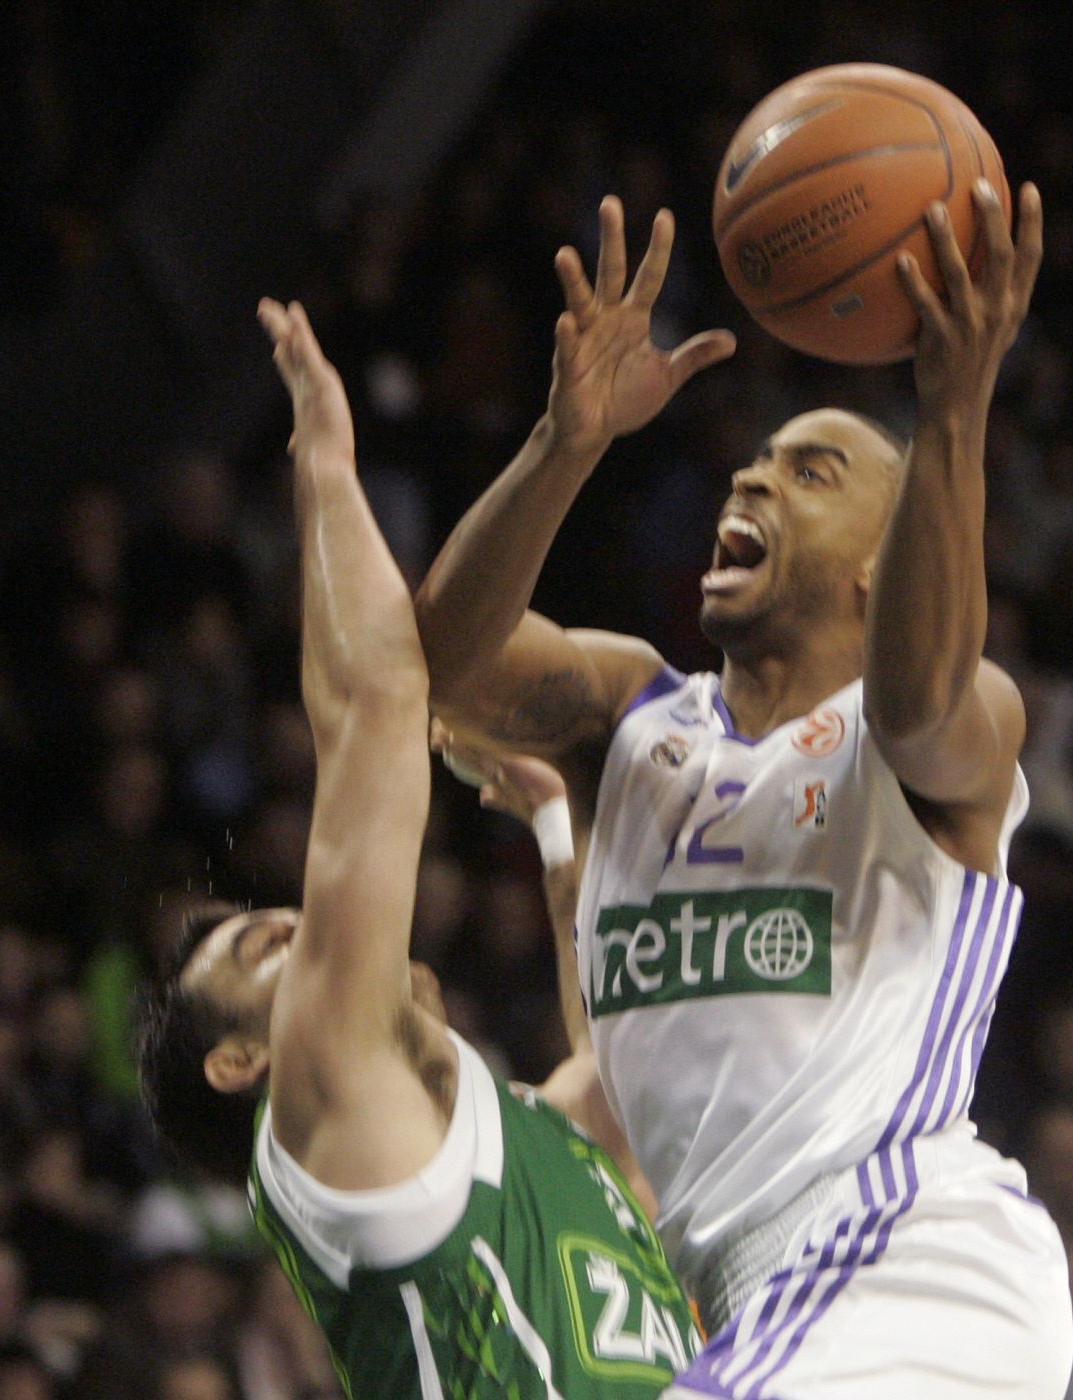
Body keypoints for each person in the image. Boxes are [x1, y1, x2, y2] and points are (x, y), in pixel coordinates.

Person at [413, 179, 1073, 1397]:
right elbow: (439, 661)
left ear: (888, 560)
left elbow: (923, 694)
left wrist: (953, 410)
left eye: (809, 473)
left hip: (900, 1252)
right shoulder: (627, 718)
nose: (750, 484)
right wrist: (566, 443)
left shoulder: (933, 721)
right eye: (752, 465)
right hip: (759, 1303)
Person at [136, 299, 700, 1398]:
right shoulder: (325, 1090)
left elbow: (623, 1088)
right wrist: (326, 468)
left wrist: (557, 836)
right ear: (243, 1060)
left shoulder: (495, 1126)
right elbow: (376, 698)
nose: (311, 926)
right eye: (267, 949)